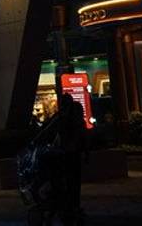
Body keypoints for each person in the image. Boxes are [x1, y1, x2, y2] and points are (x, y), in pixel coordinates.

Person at [55, 94, 88, 225]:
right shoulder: (73, 117)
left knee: (68, 182)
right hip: (73, 153)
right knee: (73, 183)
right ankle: (73, 207)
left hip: (67, 153)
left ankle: (69, 207)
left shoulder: (64, 117)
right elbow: (83, 136)